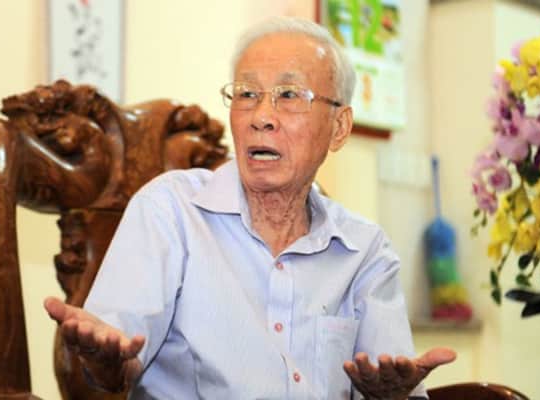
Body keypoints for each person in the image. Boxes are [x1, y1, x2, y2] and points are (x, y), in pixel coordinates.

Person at [44, 16, 456, 400]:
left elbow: (392, 379)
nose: (261, 117)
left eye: (289, 95)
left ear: (339, 127)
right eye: (246, 94)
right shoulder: (170, 211)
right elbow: (119, 358)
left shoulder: (365, 251)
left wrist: (387, 396)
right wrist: (107, 359)